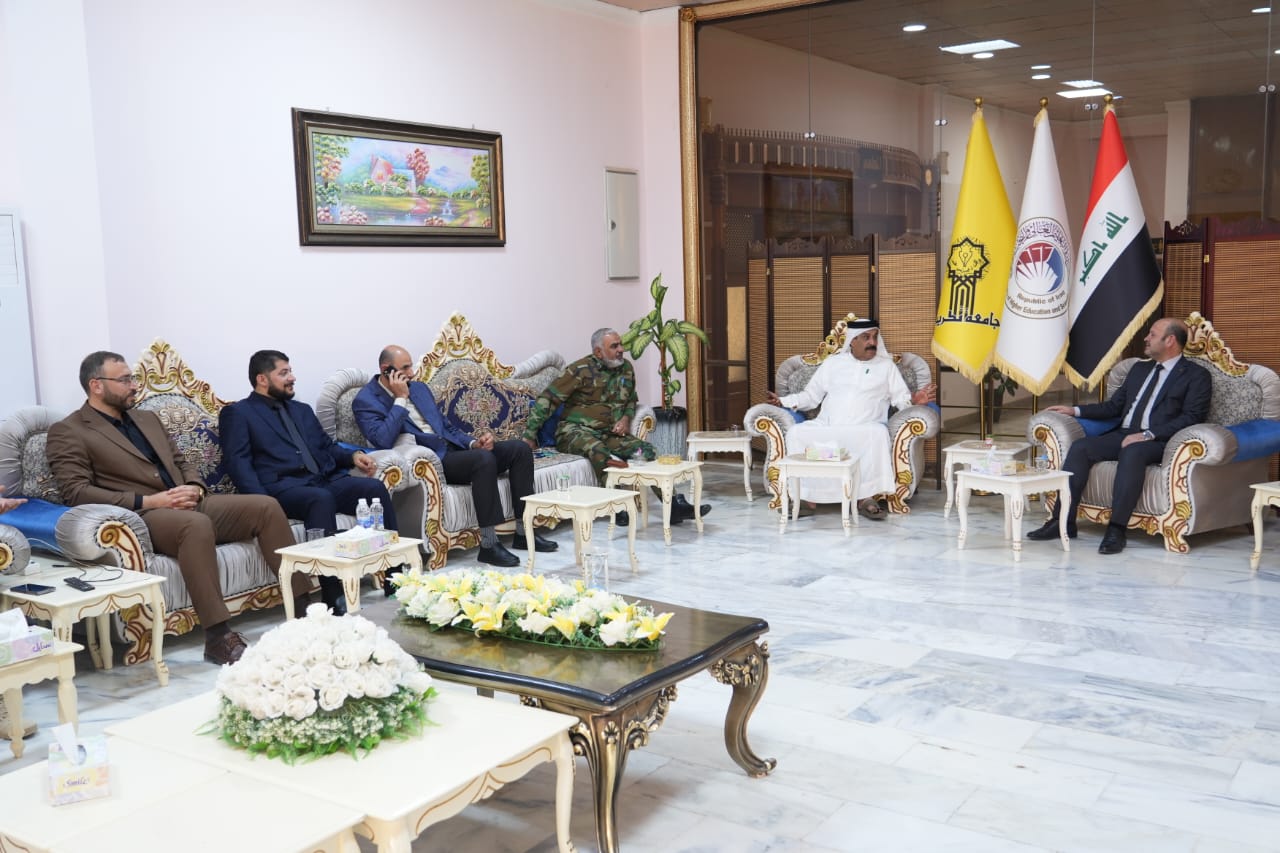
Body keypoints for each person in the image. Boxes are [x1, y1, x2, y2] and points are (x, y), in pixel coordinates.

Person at [46, 351, 303, 665]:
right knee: (196, 526)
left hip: (187, 501)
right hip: (144, 516)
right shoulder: (69, 430)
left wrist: (195, 487)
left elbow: (181, 461)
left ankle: (304, 610)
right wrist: (149, 501)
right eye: (125, 380)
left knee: (265, 506)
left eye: (133, 378)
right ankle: (218, 637)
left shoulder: (146, 418)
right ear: (96, 385)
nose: (134, 385)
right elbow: (76, 492)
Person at [220, 349, 398, 613]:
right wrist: (262, 503)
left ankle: (395, 576)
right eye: (283, 373)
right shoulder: (239, 413)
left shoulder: (301, 410)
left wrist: (353, 457)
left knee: (373, 488)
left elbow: (326, 447)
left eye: (290, 371)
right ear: (262, 379)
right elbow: (239, 464)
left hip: (321, 480)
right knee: (320, 499)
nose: (292, 378)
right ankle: (333, 592)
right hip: (282, 489)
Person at [352, 345, 557, 569]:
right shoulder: (366, 400)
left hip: (456, 450)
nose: (412, 373)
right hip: (433, 461)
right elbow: (382, 440)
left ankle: (524, 531)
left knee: (519, 449)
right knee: (483, 460)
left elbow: (445, 426)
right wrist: (400, 399)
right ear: (386, 369)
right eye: (405, 368)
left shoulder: (419, 388)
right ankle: (489, 545)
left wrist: (473, 443)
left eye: (411, 366)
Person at [1027, 317, 1211, 554]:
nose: (1146, 338)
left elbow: (1192, 417)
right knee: (1081, 448)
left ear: (1170, 341)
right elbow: (1114, 407)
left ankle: (1116, 530)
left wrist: (1148, 434)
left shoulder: (1196, 376)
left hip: (1160, 441)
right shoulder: (1140, 369)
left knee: (1132, 451)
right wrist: (1075, 411)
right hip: (1124, 433)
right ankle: (1062, 521)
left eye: (1153, 335)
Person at [521, 327, 709, 526]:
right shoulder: (579, 370)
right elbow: (547, 399)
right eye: (614, 346)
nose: (621, 349)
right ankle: (617, 506)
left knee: (647, 450)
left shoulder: (626, 368)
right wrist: (530, 435)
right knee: (598, 451)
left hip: (608, 433)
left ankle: (674, 506)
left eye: (620, 344)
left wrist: (626, 419)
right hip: (574, 432)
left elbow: (631, 400)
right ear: (598, 352)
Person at [765, 318, 936, 520]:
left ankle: (865, 498)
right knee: (797, 433)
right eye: (866, 337)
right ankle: (809, 497)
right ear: (852, 340)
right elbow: (810, 396)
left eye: (875, 337)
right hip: (828, 425)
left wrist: (914, 401)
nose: (872, 342)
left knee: (878, 434)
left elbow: (900, 399)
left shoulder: (886, 366)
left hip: (865, 427)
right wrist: (784, 401)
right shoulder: (833, 364)